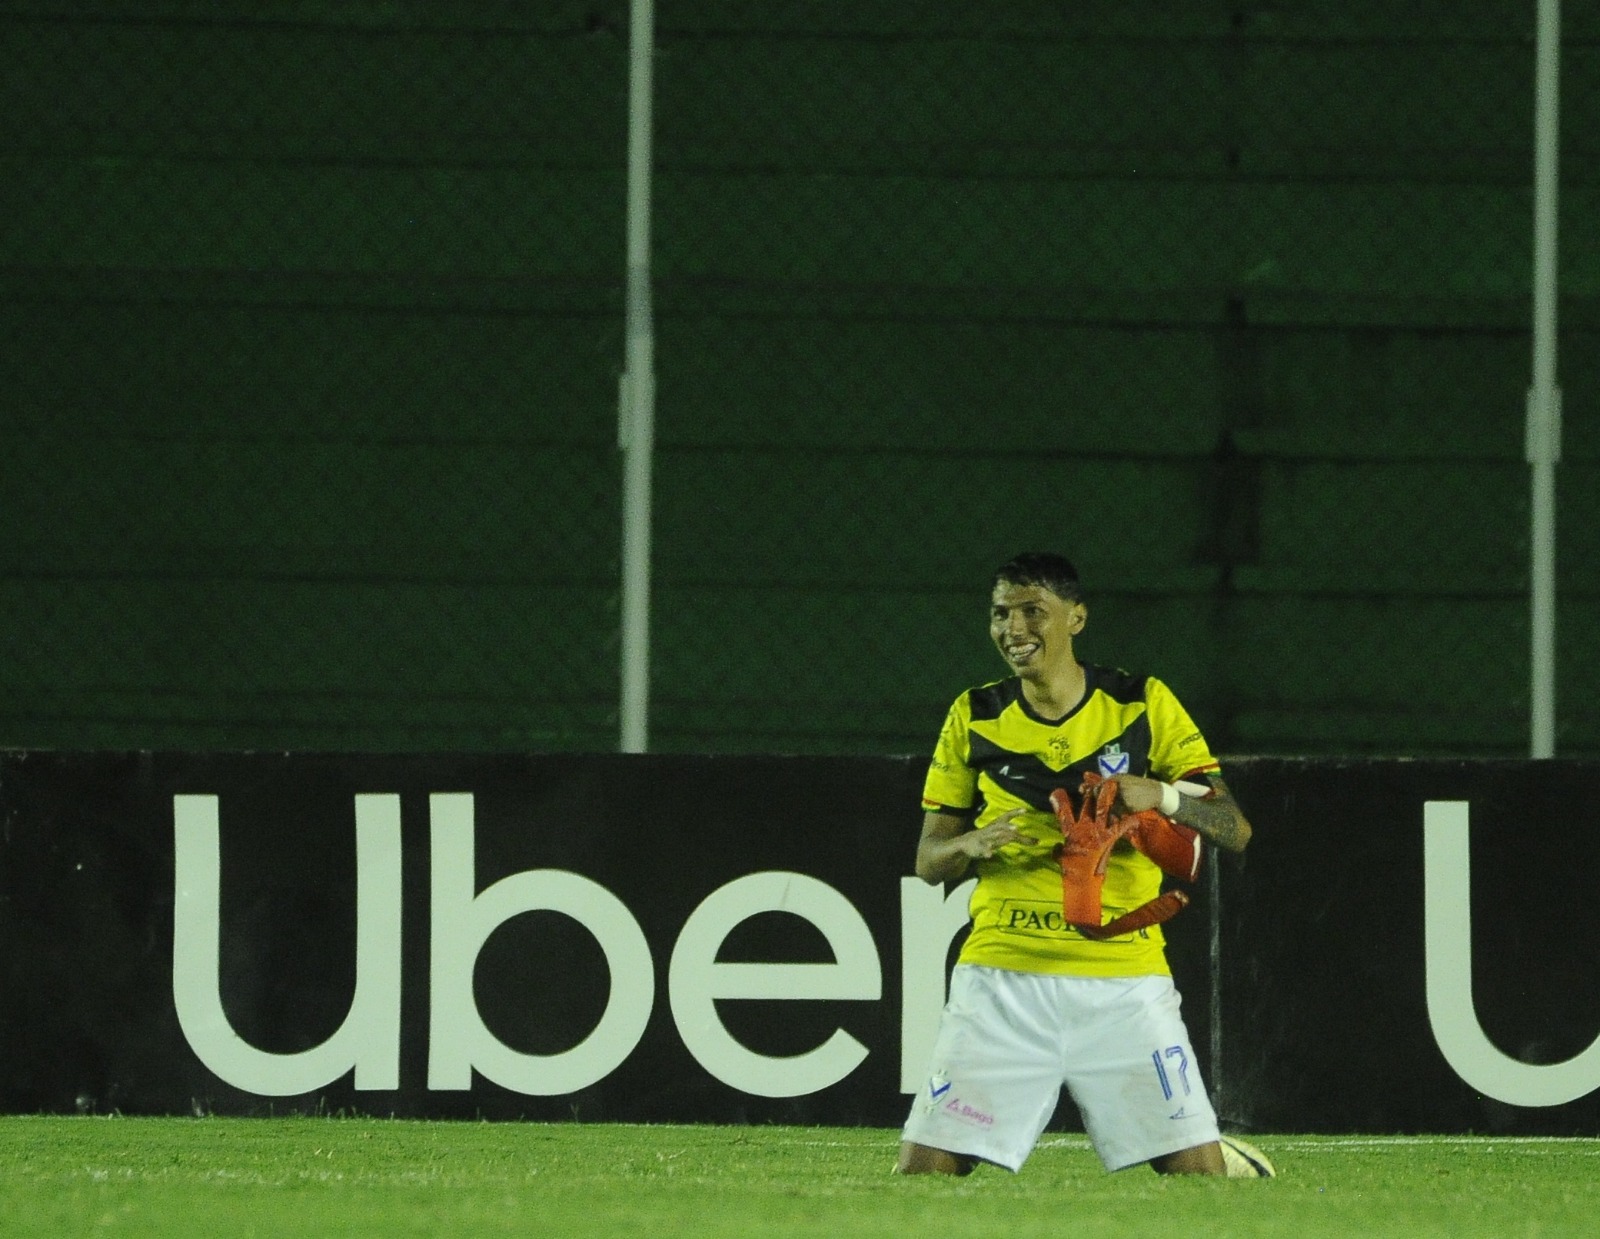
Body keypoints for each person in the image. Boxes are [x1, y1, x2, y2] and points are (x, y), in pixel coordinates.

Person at [895, 551, 1261, 1178]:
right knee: (923, 1175)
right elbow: (930, 861)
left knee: (1198, 1184)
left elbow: (1235, 828)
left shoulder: (1141, 703)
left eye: (1032, 612)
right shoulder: (975, 714)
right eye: (1001, 614)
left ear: (1076, 618)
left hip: (1123, 979)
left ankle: (1221, 1157)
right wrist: (970, 844)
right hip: (1003, 978)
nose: (1014, 630)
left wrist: (1164, 795)